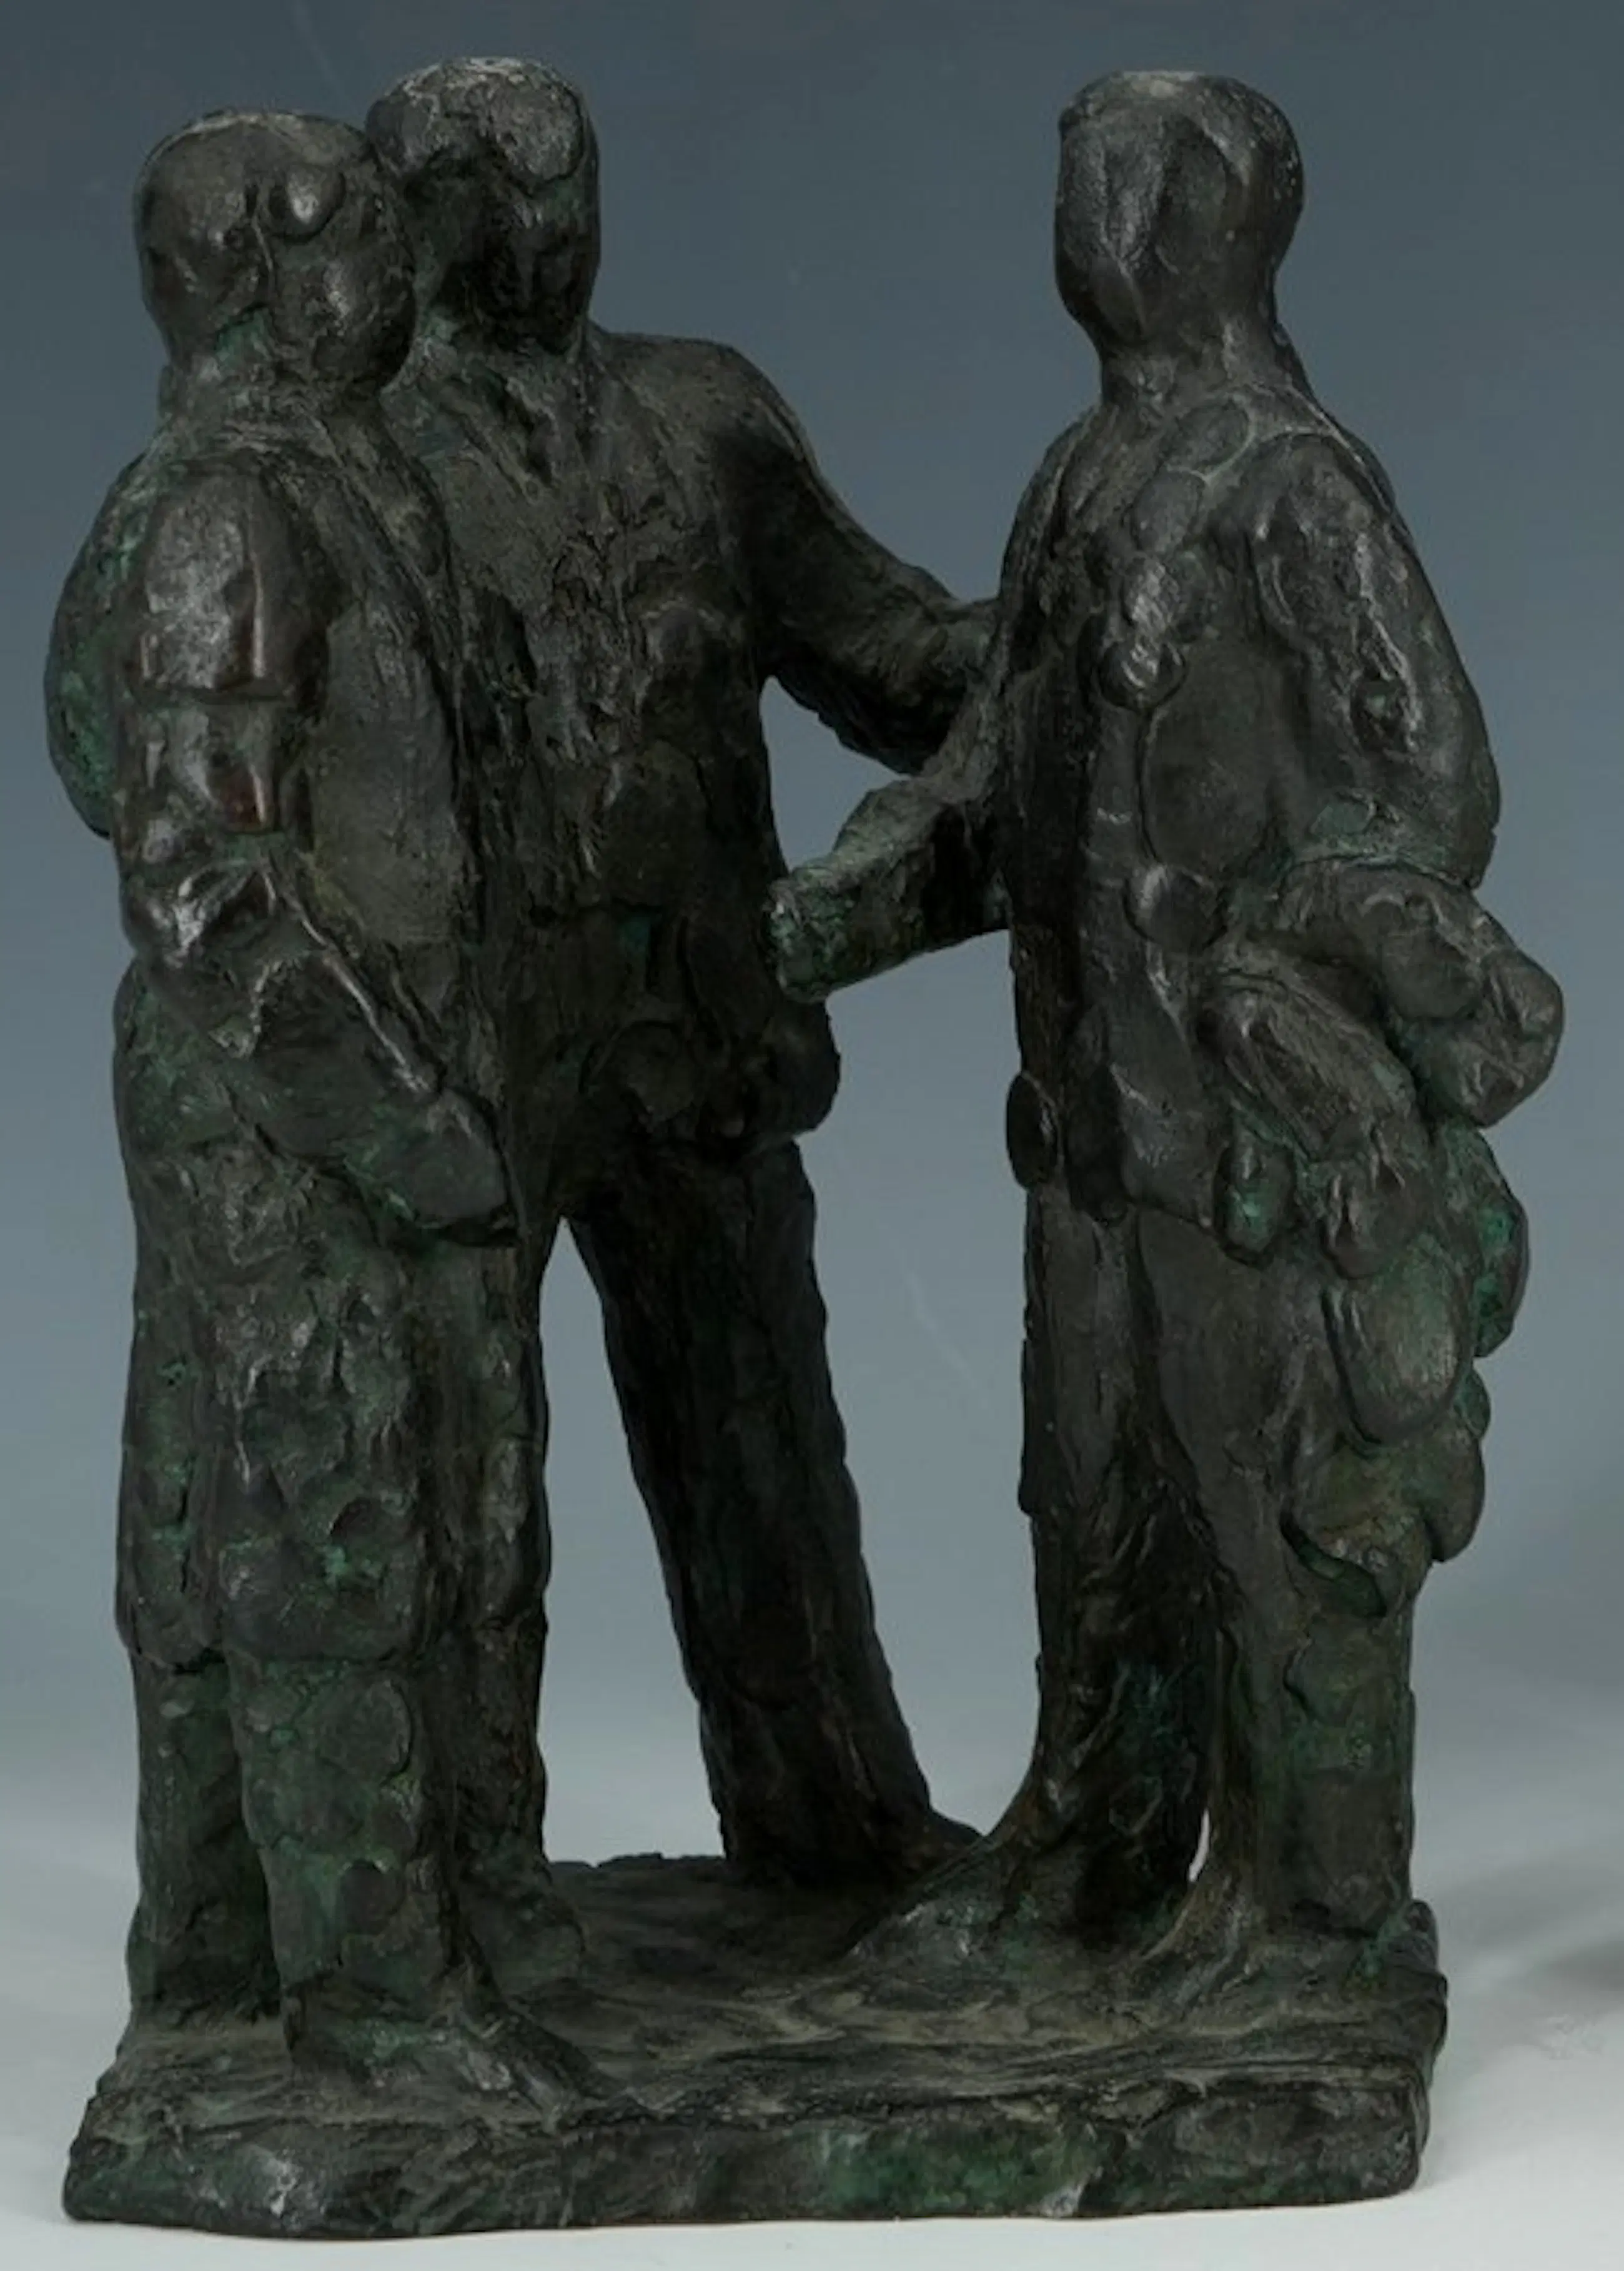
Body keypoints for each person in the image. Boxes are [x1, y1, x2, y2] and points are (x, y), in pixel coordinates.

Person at [771, 72, 1561, 1981]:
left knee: (1278, 1505)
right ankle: (1094, 1849)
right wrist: (796, 933)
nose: (1086, 214)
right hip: (1095, 1119)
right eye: (1081, 176)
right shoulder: (1081, 477)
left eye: (1119, 178)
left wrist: (1279, 944)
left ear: (1211, 216)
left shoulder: (1294, 482)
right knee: (1099, 1490)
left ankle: (1311, 1907)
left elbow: (1436, 785)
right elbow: (988, 789)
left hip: (1248, 1123)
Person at [366, 57, 991, 1889]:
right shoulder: (362, 463)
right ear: (417, 224)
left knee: (764, 1446)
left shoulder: (704, 417)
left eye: (568, 185)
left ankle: (835, 1835)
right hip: (474, 1058)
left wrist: (1086, 620)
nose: (548, 228)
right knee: (461, 1483)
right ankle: (461, 1892)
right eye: (503, 195)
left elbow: (887, 648)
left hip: (706, 1023)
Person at [45, 111, 586, 2101]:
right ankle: (369, 2002)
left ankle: (230, 1951)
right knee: (321, 1509)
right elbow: (202, 880)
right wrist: (405, 1116)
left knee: (303, 1506)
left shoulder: (332, 473)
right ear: (256, 284)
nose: (398, 263)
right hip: (303, 1116)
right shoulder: (226, 513)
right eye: (353, 233)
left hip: (364, 1092)